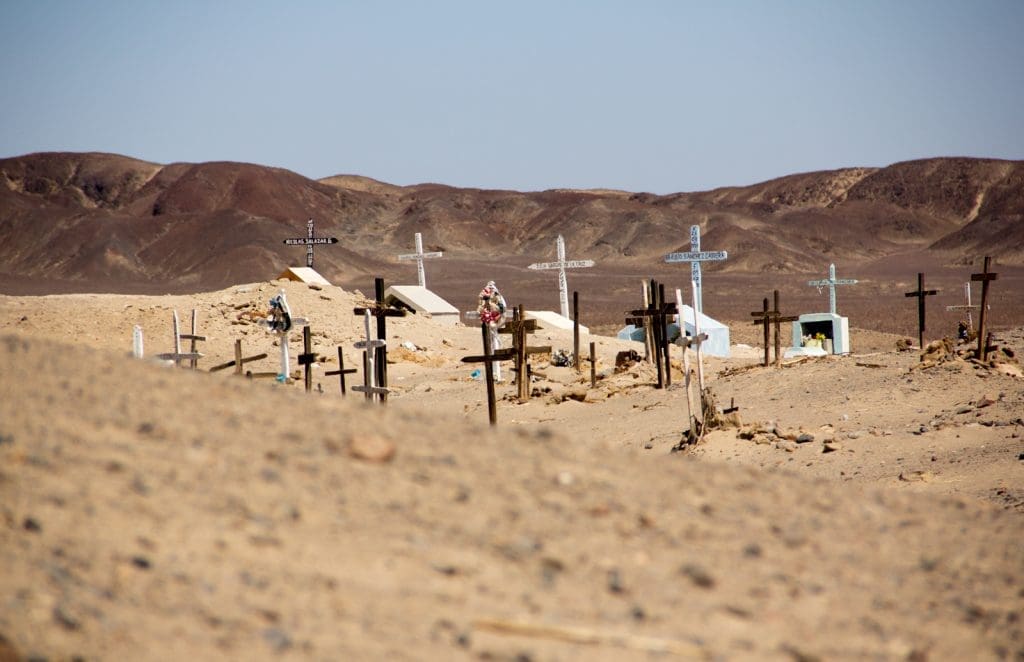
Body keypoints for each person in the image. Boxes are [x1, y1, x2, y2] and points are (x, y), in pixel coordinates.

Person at [477, 281, 507, 380]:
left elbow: (502, 310)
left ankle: (496, 373)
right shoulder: (485, 301)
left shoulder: (497, 298)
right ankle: (494, 373)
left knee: (494, 344)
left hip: (494, 319)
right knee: (490, 345)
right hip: (490, 319)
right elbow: (482, 306)